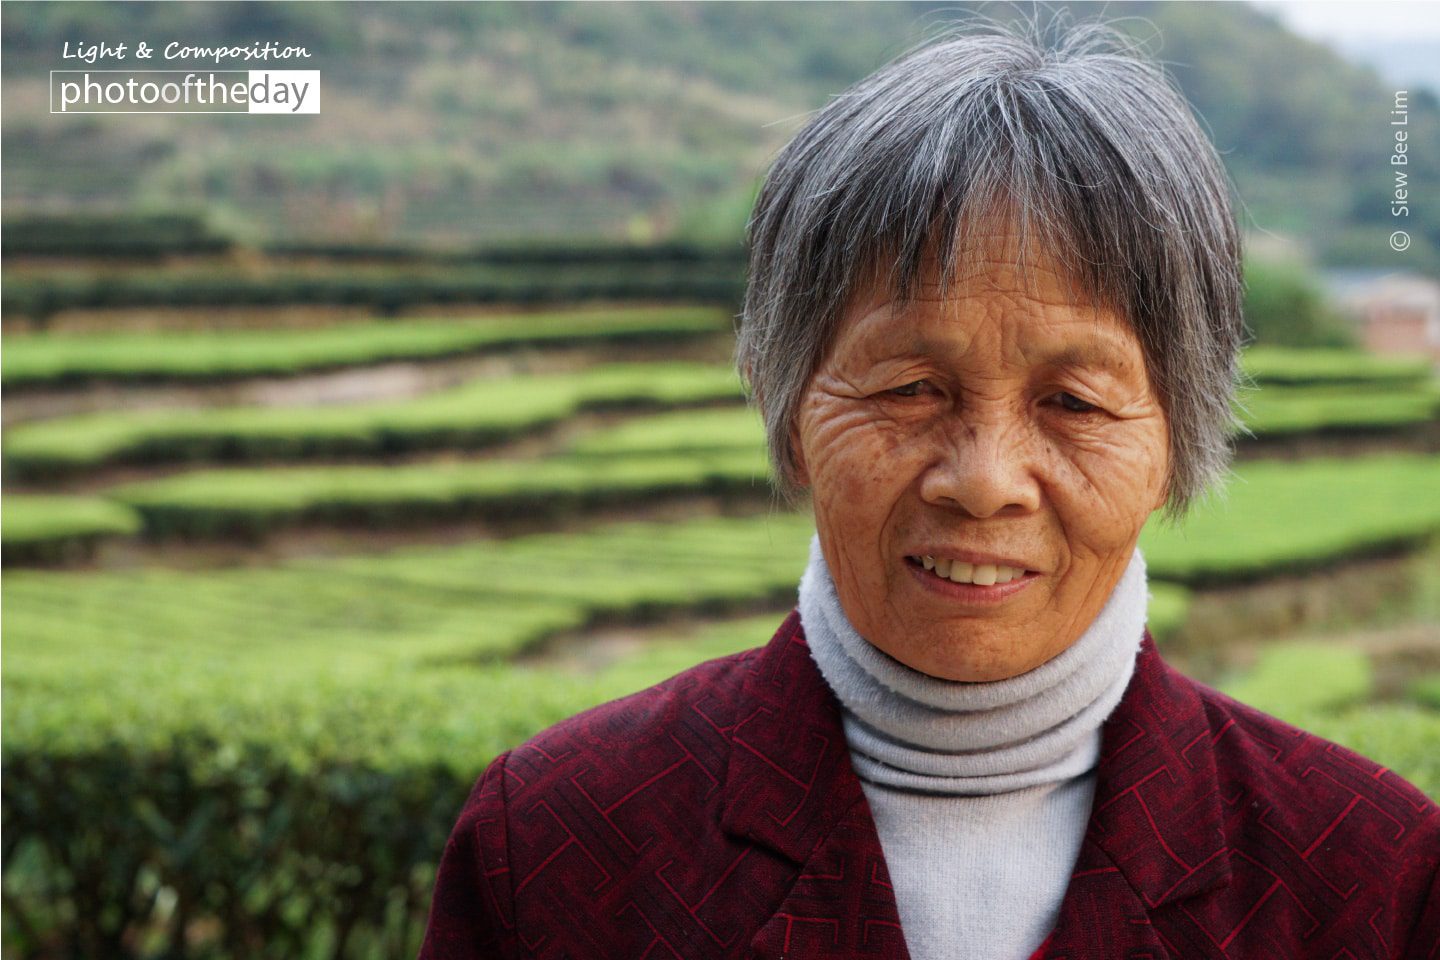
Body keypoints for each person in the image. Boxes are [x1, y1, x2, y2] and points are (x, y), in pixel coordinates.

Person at [418, 19, 1440, 960]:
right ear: (787, 401)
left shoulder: (1369, 880)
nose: (985, 481)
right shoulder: (560, 845)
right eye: (912, 389)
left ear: (1178, 434)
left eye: (1075, 402)